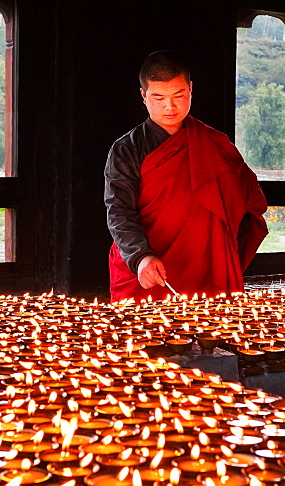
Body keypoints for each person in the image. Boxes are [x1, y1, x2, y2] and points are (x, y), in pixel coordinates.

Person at [105, 50, 268, 301]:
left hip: (207, 268)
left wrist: (224, 251)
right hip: (150, 267)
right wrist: (140, 256)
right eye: (158, 98)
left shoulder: (214, 144)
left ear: (190, 89)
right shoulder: (127, 149)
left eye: (178, 95)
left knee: (213, 336)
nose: (170, 106)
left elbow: (247, 202)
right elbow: (119, 211)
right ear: (143, 96)